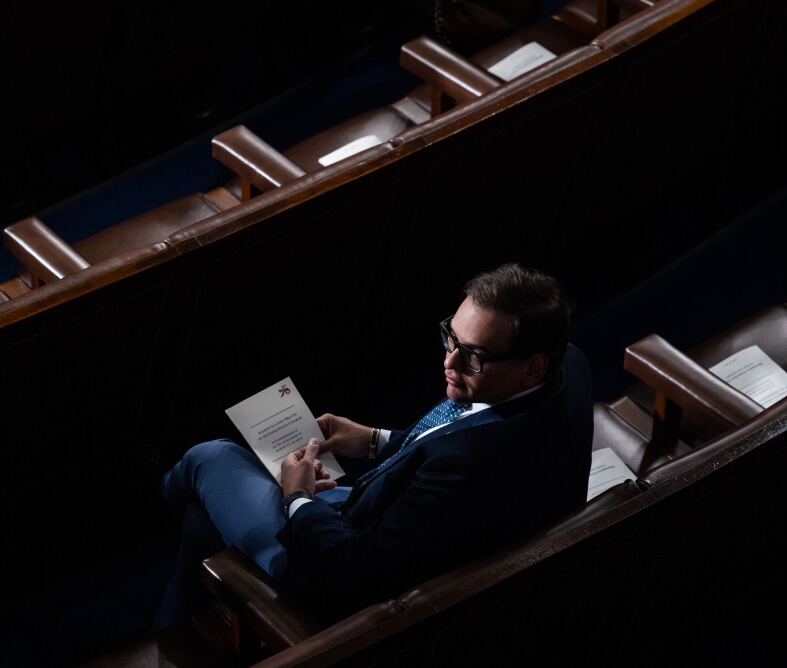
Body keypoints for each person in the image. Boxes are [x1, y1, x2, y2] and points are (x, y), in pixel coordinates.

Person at [154, 262, 595, 629]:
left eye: (473, 356)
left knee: (206, 459)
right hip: (406, 524)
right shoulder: (566, 365)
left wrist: (297, 499)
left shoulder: (470, 466)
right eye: (450, 338)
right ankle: (174, 631)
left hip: (337, 572)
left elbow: (353, 571)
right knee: (201, 523)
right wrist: (371, 440)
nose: (450, 361)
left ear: (532, 367)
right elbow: (453, 437)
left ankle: (161, 515)